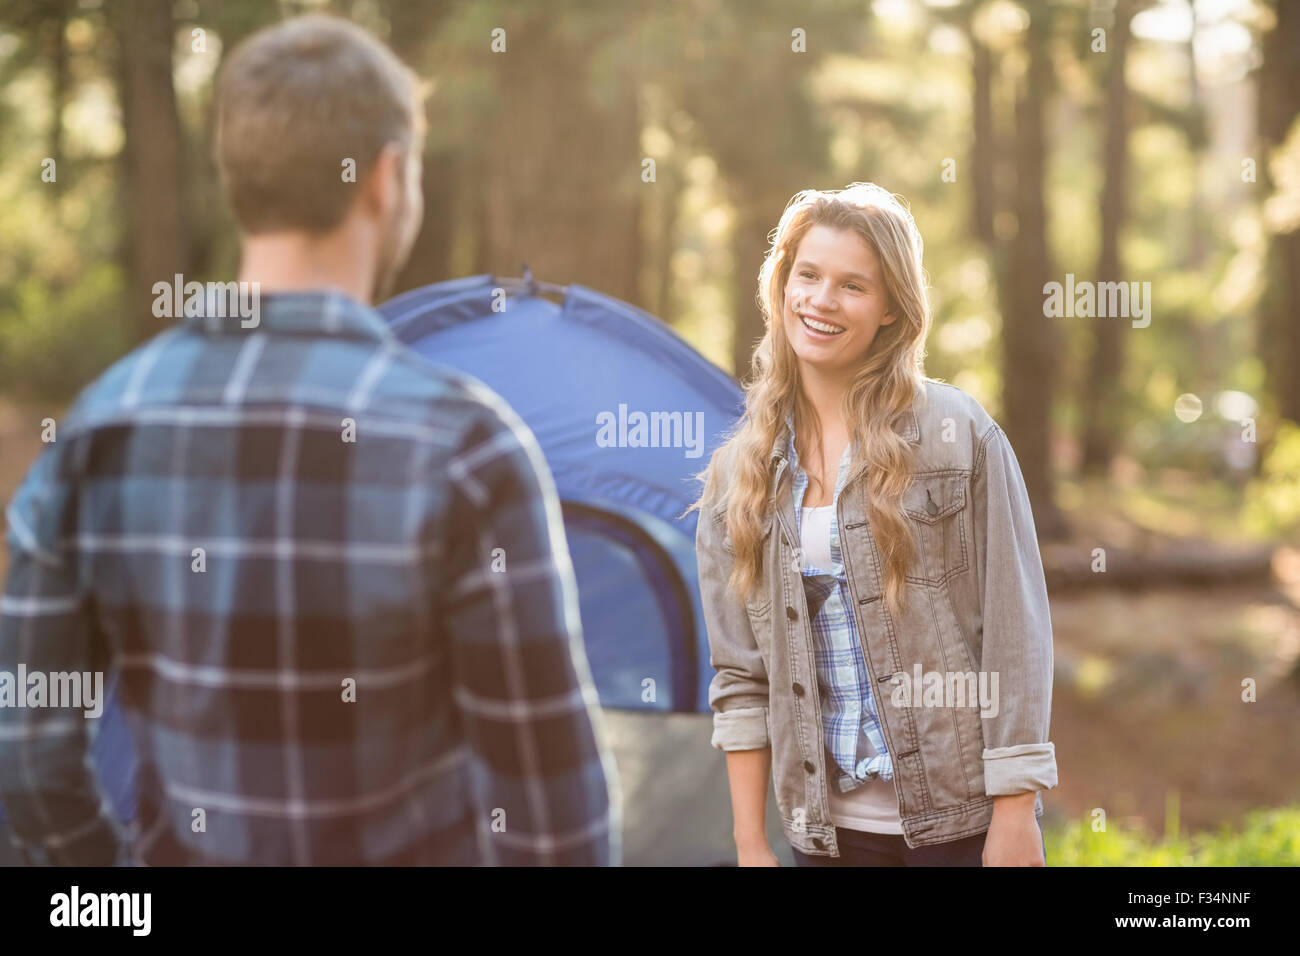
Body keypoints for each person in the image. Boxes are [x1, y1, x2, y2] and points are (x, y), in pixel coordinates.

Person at [0, 14, 619, 866]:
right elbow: (558, 826)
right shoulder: (469, 449)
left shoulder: (95, 432)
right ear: (386, 179)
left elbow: (28, 765)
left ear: (241, 181)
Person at [691, 183, 1056, 867]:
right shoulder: (737, 475)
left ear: (891, 309)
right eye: (808, 275)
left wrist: (1015, 812)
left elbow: (1016, 633)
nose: (821, 301)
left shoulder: (958, 437)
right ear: (782, 286)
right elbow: (741, 680)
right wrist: (749, 844)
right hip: (823, 839)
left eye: (853, 285)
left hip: (959, 826)